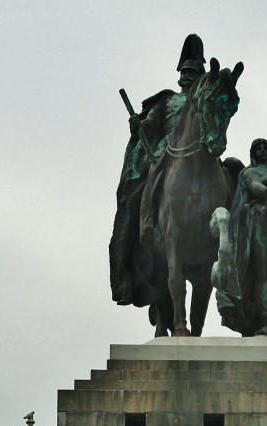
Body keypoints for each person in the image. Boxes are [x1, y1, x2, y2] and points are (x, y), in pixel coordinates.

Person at [109, 34, 207, 307]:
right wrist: (136, 124)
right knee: (155, 172)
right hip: (168, 150)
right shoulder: (167, 101)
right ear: (179, 76)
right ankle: (148, 222)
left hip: (200, 151)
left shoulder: (204, 101)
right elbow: (149, 127)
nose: (188, 76)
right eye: (185, 72)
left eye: (193, 72)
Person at [212, 138, 267, 338]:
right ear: (253, 153)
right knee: (263, 275)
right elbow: (256, 188)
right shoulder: (249, 172)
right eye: (258, 148)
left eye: (266, 147)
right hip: (259, 222)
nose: (263, 150)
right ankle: (264, 325)